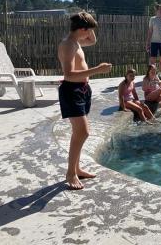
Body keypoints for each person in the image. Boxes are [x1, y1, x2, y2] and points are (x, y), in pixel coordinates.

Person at [58, 12, 112, 190]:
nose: (89, 34)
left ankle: (77, 168)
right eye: (87, 30)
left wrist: (89, 19)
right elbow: (68, 75)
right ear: (82, 29)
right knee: (82, 132)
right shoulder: (68, 45)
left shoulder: (77, 42)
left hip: (81, 90)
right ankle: (70, 173)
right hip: (71, 91)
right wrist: (97, 70)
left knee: (80, 133)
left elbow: (93, 40)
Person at [146, 4, 161, 80]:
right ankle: (152, 74)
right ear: (156, 10)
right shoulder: (152, 19)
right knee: (152, 59)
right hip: (154, 42)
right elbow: (150, 31)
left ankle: (160, 73)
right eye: (160, 9)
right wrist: (147, 42)